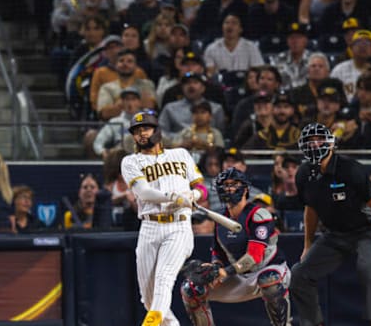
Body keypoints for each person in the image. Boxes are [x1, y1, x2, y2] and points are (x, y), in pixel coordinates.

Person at [290, 122, 371, 326]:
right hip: (334, 235)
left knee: (367, 269)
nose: (314, 145)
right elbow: (310, 209)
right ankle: (313, 323)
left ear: (330, 143)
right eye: (310, 142)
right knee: (298, 274)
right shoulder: (303, 173)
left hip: (365, 231)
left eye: (319, 140)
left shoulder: (350, 168)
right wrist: (307, 245)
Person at [120, 111, 207, 326]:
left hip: (178, 226)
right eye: (137, 131)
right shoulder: (130, 161)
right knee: (149, 298)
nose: (141, 134)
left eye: (145, 129)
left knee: (164, 278)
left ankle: (149, 324)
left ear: (157, 130)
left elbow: (202, 187)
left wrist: (193, 195)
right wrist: (172, 197)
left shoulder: (181, 154)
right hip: (150, 226)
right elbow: (144, 192)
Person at [180, 168, 291, 326]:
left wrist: (226, 271)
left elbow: (254, 256)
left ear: (245, 189)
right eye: (225, 185)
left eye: (234, 184)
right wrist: (215, 268)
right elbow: (218, 252)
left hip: (269, 268)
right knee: (190, 289)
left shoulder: (259, 214)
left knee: (269, 281)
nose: (229, 188)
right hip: (239, 275)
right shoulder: (219, 218)